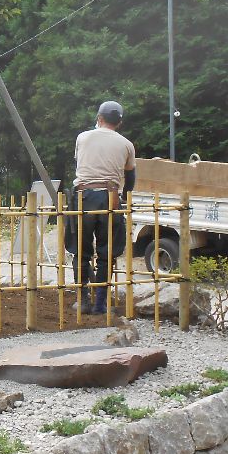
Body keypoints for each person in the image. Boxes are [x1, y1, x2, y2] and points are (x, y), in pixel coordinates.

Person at [72, 100, 136, 314]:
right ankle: (100, 304)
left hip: (84, 196)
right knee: (107, 251)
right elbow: (130, 177)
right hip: (111, 198)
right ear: (119, 122)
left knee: (81, 250)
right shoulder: (126, 145)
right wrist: (124, 199)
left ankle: (82, 301)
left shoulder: (83, 137)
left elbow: (79, 164)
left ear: (99, 118)